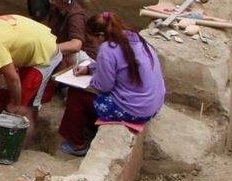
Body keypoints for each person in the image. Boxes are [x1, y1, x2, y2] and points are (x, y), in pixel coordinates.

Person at [58, 11, 165, 156]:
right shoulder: (133, 38)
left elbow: (103, 86)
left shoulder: (108, 48)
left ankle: (77, 144)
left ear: (101, 36)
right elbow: (119, 64)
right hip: (153, 105)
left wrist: (92, 80)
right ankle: (91, 127)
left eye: (93, 40)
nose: (95, 44)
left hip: (134, 110)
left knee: (77, 94)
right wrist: (90, 68)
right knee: (90, 96)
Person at [42, 0, 91, 70]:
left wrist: (48, 49)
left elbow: (76, 45)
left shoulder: (76, 16)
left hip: (78, 58)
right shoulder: (55, 8)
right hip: (61, 49)